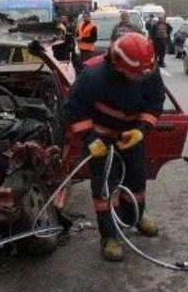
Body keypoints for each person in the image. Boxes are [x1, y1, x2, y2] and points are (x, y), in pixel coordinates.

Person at [64, 32, 164, 261]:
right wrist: (90, 139)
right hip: (100, 140)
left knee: (137, 181)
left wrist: (141, 130)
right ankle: (109, 237)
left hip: (131, 136)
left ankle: (135, 217)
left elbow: (155, 101)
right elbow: (74, 109)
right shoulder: (93, 75)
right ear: (118, 65)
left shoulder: (148, 70)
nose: (140, 80)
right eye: (135, 77)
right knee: (104, 190)